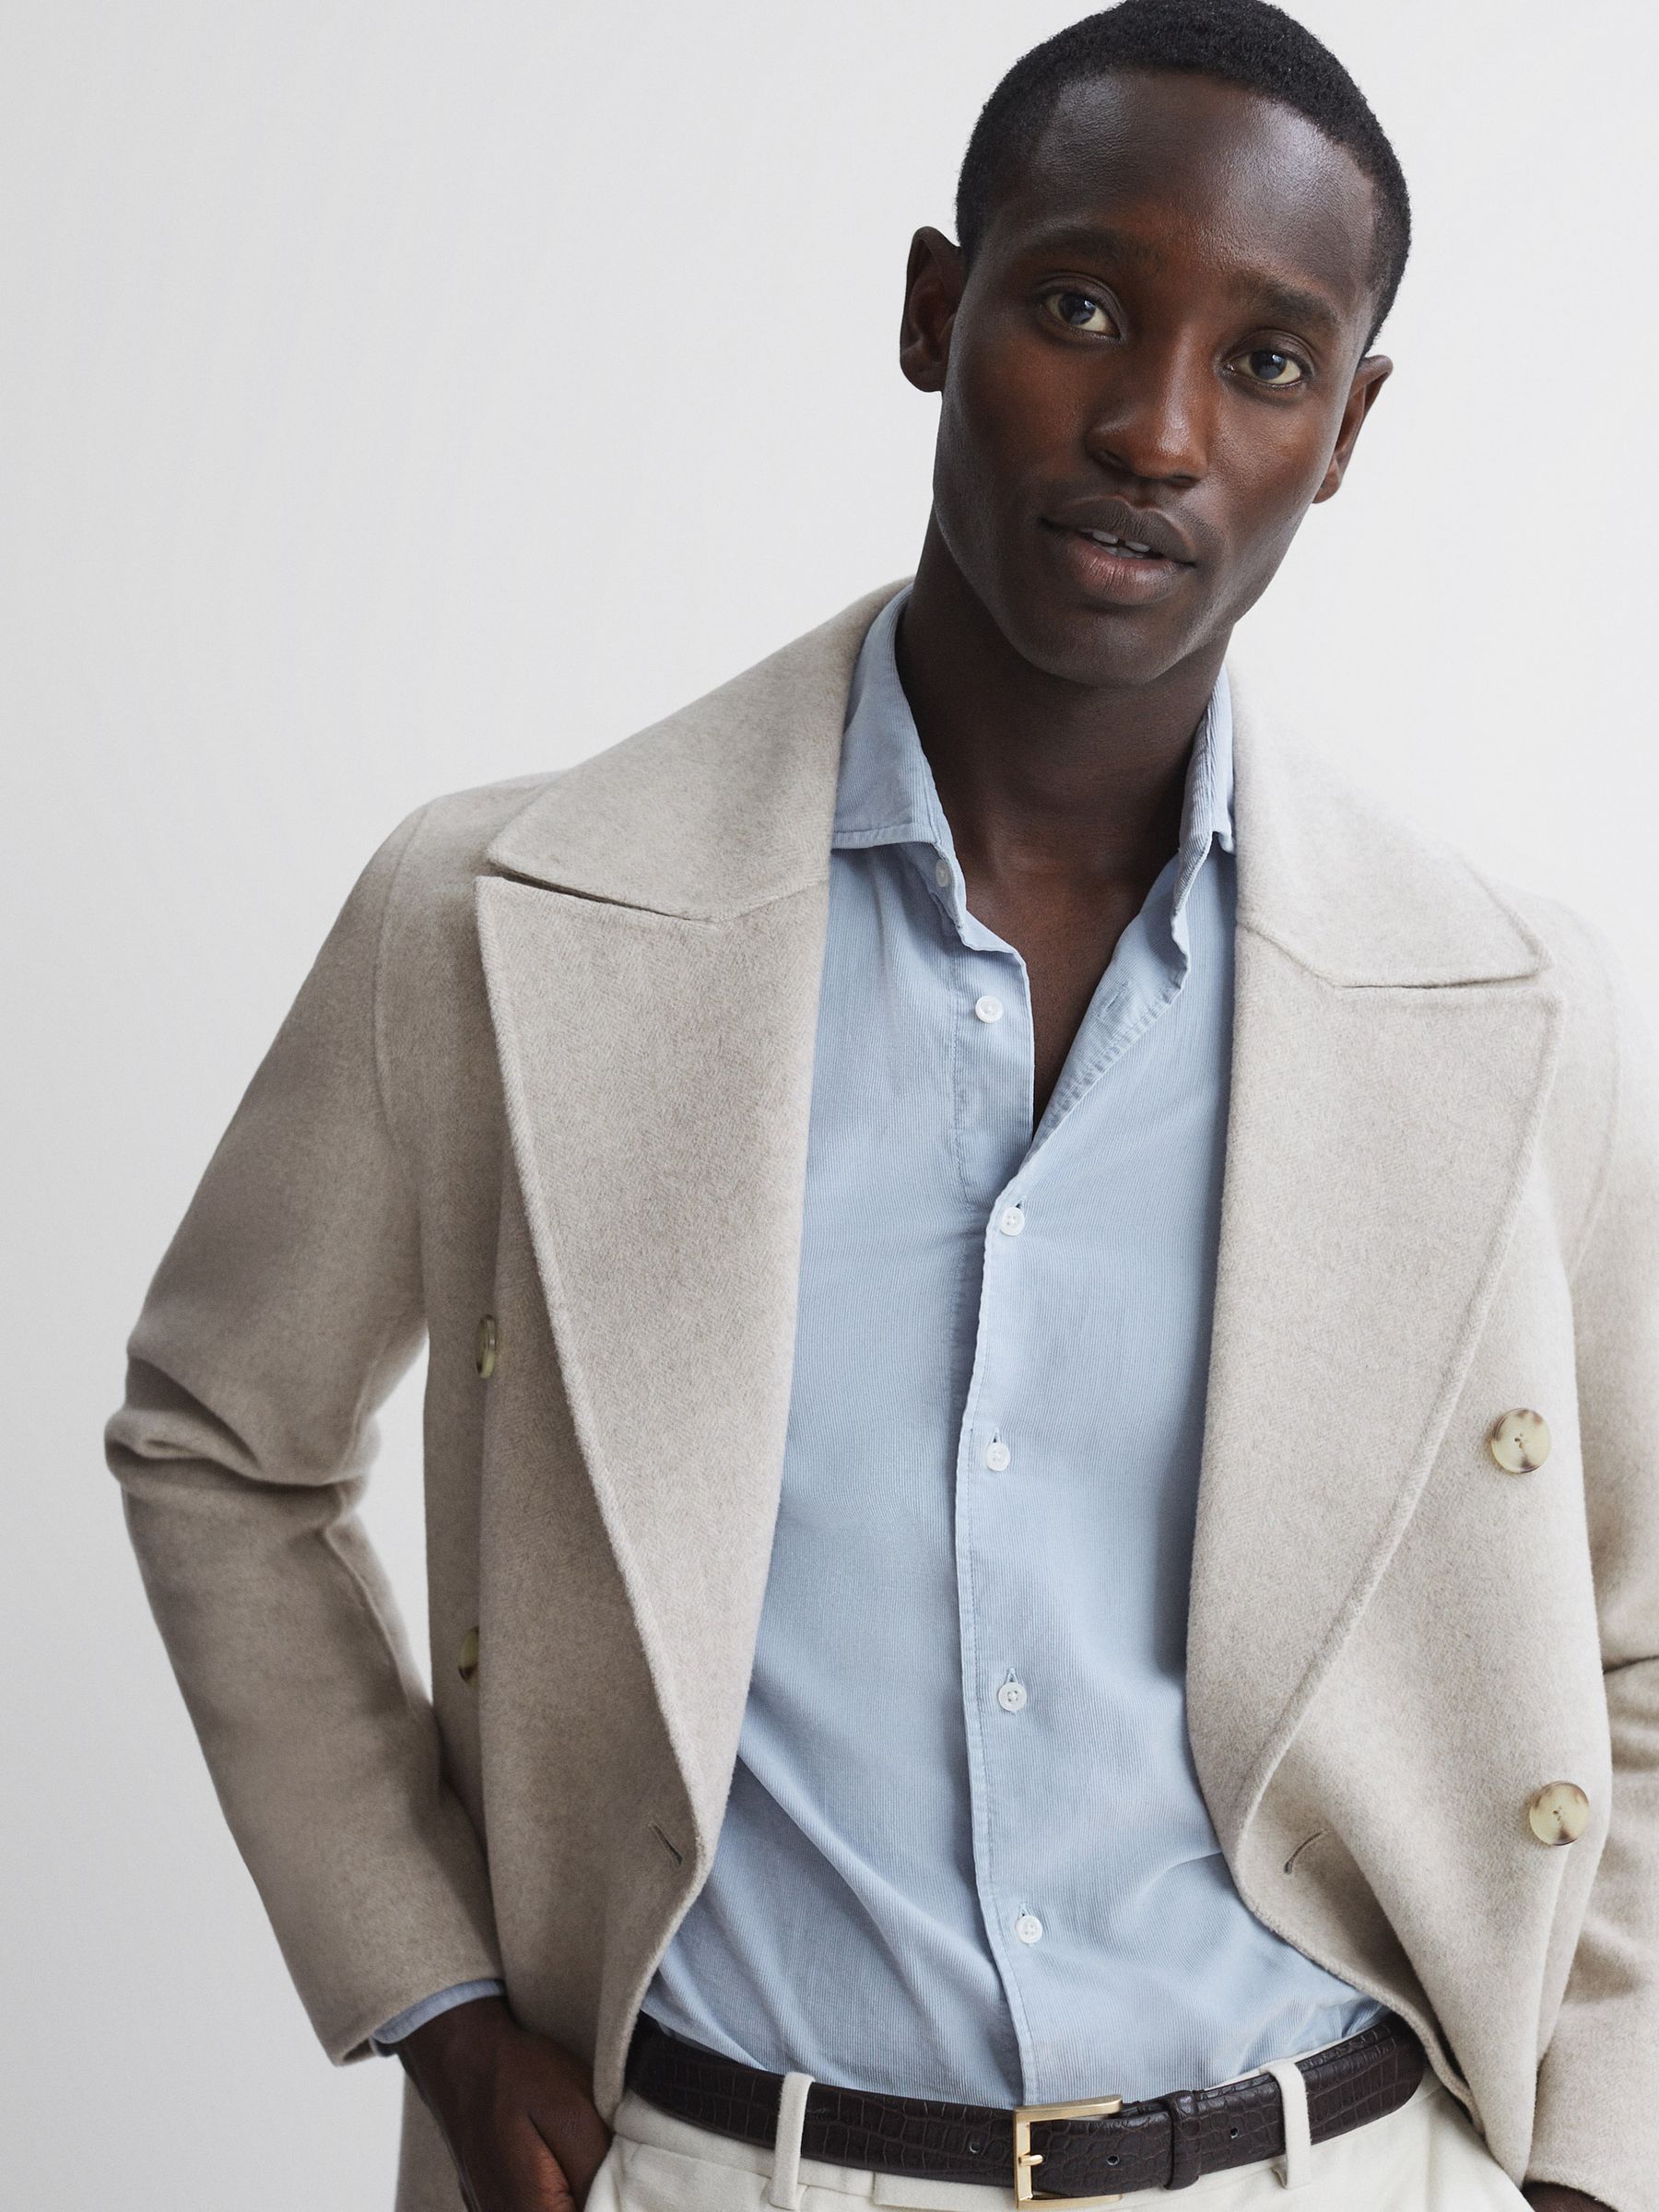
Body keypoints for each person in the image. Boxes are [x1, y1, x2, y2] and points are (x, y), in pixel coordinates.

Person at [106, 3, 1655, 2207]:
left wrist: (1594, 2163)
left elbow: (1640, 1634)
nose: (1155, 428)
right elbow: (219, 1442)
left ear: (1348, 430)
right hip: (716, 2161)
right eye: (1080, 306)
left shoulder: (1514, 1014)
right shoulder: (498, 920)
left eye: (1265, 361)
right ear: (937, 310)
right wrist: (430, 1995)